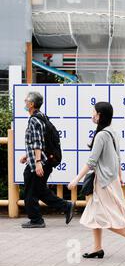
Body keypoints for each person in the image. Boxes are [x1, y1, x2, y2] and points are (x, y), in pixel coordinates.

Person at [68, 102, 125, 259]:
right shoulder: (111, 132)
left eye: (94, 112)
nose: (92, 115)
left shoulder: (102, 135)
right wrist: (120, 176)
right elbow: (117, 157)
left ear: (100, 115)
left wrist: (76, 180)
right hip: (112, 179)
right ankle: (97, 248)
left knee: (105, 217)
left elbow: (91, 162)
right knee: (95, 215)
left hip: (103, 182)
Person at [20, 92, 74, 228]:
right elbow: (40, 142)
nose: (24, 102)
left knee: (30, 191)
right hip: (44, 160)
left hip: (39, 163)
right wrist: (28, 155)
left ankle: (36, 220)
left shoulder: (34, 120)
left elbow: (37, 142)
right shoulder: (42, 116)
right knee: (40, 190)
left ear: (31, 104)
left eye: (26, 100)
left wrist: (37, 163)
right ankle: (66, 206)